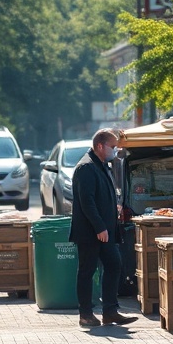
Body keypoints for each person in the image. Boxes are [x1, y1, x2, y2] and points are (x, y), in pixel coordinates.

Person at [69, 128, 137, 327]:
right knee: (87, 271)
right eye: (113, 146)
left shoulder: (102, 165)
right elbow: (87, 202)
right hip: (91, 232)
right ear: (100, 146)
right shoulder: (86, 167)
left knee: (114, 265)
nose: (115, 150)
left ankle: (110, 312)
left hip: (106, 230)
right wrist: (99, 227)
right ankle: (85, 314)